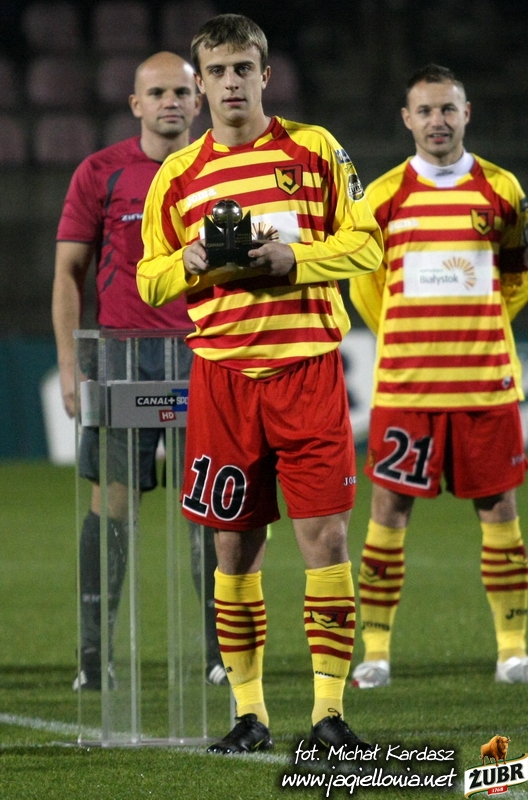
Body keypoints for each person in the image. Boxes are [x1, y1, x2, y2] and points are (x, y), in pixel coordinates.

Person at [137, 14, 383, 755]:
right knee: (234, 552)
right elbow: (149, 278)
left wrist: (294, 260)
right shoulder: (178, 176)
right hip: (224, 381)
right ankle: (250, 715)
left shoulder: (315, 149)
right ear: (201, 83)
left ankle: (329, 715)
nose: (231, 83)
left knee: (326, 539)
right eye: (217, 71)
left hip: (308, 371)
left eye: (244, 68)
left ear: (266, 75)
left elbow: (367, 242)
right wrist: (190, 263)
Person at [52, 51, 228, 690]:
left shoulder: (225, 170)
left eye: (182, 91)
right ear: (136, 104)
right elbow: (68, 273)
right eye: (157, 93)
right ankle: (93, 658)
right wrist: (70, 364)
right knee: (113, 502)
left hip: (209, 353)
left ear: (199, 100)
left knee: (212, 503)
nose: (170, 102)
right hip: (123, 357)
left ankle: (221, 655)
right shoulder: (100, 172)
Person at [350, 64, 528, 690]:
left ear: (467, 113)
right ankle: (375, 653)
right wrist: (407, 330)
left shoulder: (503, 190)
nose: (437, 121)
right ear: (407, 119)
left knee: (500, 510)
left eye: (448, 109)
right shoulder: (382, 197)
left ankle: (513, 649)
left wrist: (479, 326)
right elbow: (366, 287)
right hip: (407, 386)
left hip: (485, 384)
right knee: (388, 510)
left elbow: (516, 278)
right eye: (425, 111)